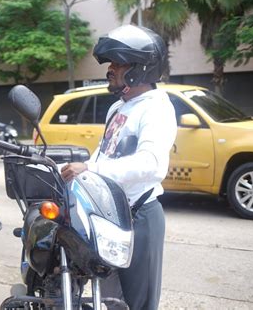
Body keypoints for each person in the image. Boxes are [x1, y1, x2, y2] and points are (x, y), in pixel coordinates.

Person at [61, 25, 177, 310]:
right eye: (111, 63)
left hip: (140, 216)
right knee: (111, 298)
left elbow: (152, 165)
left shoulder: (156, 108)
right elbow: (105, 156)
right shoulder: (119, 108)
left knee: (138, 303)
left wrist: (90, 168)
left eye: (118, 63)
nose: (110, 69)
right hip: (110, 215)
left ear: (141, 68)